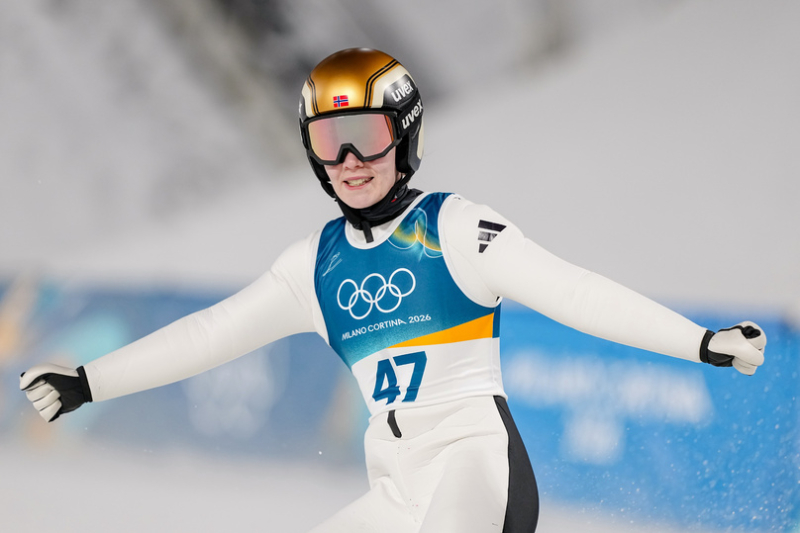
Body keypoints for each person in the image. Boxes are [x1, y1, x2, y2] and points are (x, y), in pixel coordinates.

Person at [20, 48, 766, 533]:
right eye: (328, 141)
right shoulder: (313, 266)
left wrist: (701, 342)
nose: (348, 160)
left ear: (405, 139)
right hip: (397, 487)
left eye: (368, 138)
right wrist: (90, 381)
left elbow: (575, 292)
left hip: (476, 472)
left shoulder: (455, 228)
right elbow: (210, 333)